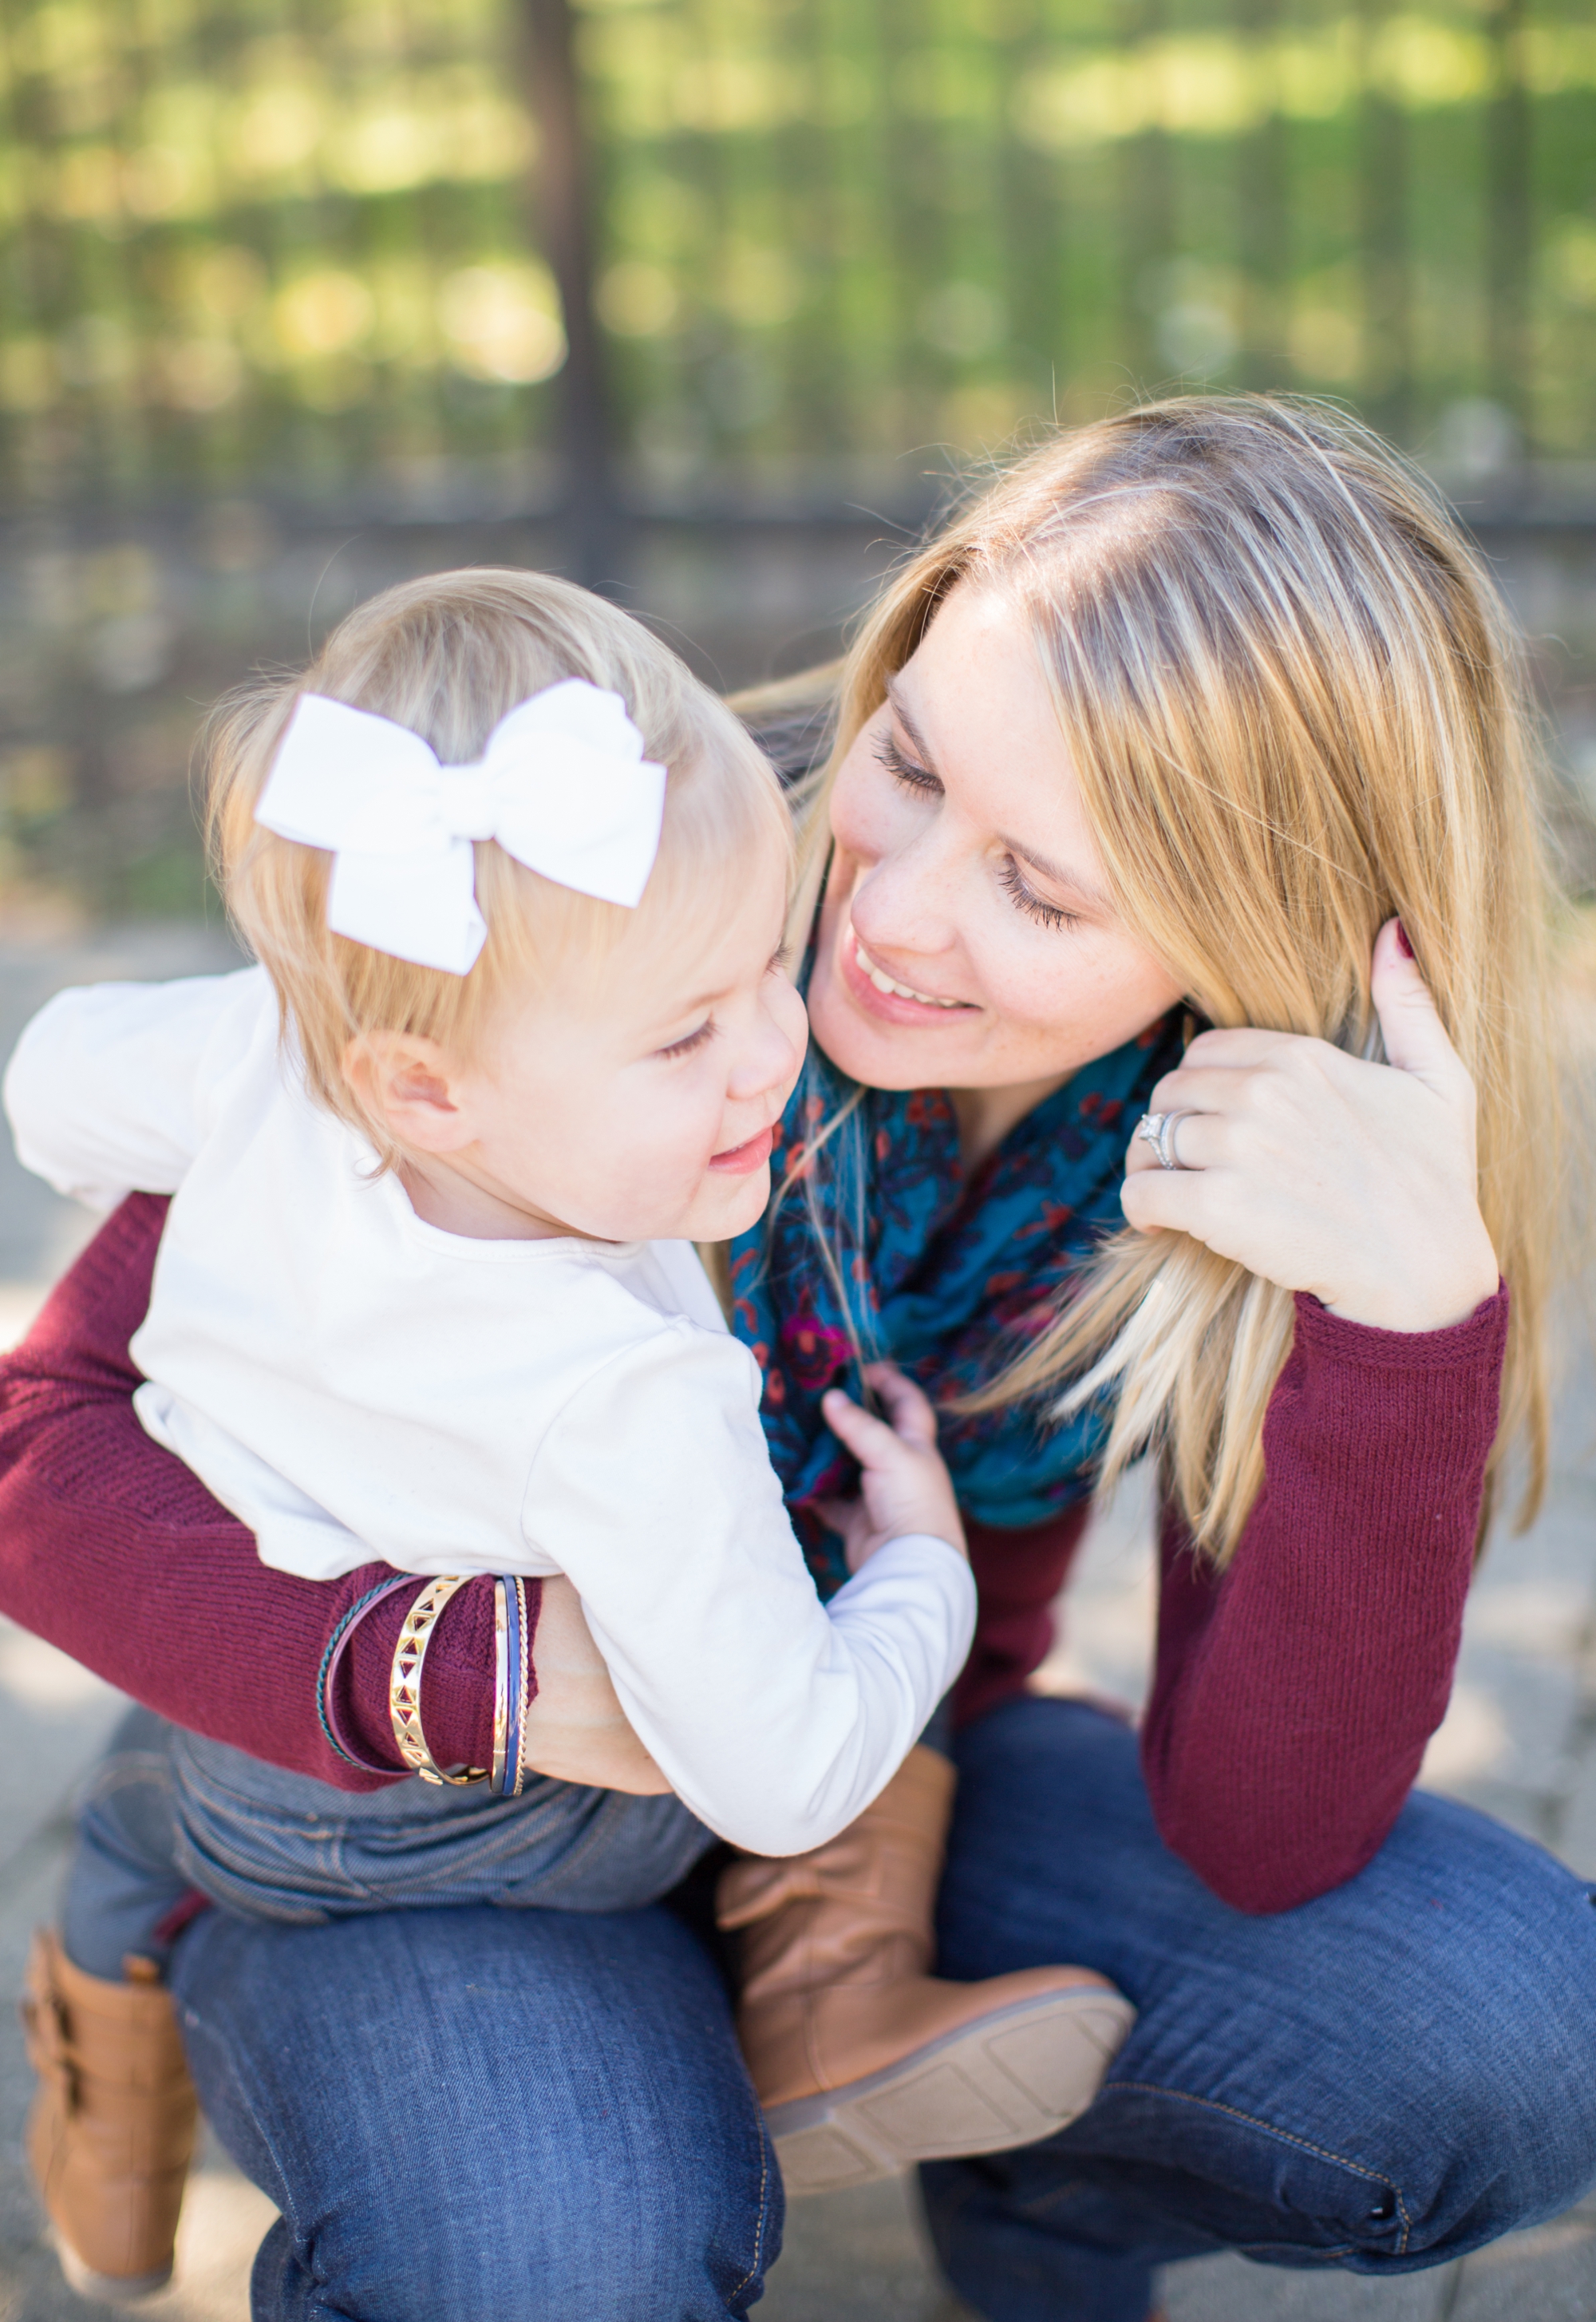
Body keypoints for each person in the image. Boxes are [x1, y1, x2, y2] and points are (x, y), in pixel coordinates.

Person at [2, 396, 1594, 2322]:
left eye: (1040, 886)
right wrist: (434, 1671)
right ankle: (187, 1917)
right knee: (544, 2260)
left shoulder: (1255, 1151)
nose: (892, 915)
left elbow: (1264, 1834)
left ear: (1253, 941)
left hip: (860, 1753)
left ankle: (1026, 2195)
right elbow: (47, 1431)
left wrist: (1408, 1319)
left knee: (1504, 2034)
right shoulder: (629, 872)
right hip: (430, 1797)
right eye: (907, 764)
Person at [6, 569, 1127, 2296]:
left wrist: (235, 1167)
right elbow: (786, 1765)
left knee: (169, 1805)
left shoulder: (280, 1057)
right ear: (431, 1087)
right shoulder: (630, 1397)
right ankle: (781, 2003)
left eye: (763, 968)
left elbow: (54, 1080)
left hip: (257, 1756)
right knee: (710, 1795)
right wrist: (918, 1571)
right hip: (517, 1828)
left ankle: (104, 1936)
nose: (770, 1053)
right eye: (684, 1033)